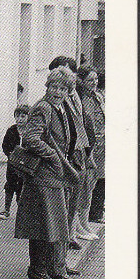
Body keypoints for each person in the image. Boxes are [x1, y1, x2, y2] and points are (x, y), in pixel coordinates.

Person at [15, 66, 81, 279]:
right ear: (48, 86)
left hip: (54, 177)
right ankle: (38, 270)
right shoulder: (44, 107)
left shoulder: (59, 107)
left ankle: (49, 268)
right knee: (42, 226)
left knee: (51, 225)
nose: (57, 91)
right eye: (54, 86)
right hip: (43, 177)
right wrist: (53, 155)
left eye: (63, 88)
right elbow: (30, 139)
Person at [48, 57, 95, 246]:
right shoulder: (55, 101)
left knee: (76, 197)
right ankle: (66, 241)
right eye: (63, 71)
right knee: (64, 203)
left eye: (71, 72)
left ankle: (71, 235)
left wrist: (86, 152)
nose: (69, 76)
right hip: (64, 156)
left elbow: (82, 124)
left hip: (79, 152)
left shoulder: (75, 95)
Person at [77, 66, 105, 226]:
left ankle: (96, 212)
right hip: (91, 147)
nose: (94, 82)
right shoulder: (82, 100)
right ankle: (85, 219)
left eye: (95, 79)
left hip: (103, 145)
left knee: (101, 180)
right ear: (82, 81)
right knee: (87, 184)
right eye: (90, 80)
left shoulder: (98, 97)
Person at [0, 104, 32, 219]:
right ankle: (6, 209)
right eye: (17, 116)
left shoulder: (31, 130)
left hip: (27, 164)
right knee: (10, 184)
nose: (20, 119)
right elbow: (5, 145)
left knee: (23, 186)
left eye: (23, 116)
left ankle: (21, 210)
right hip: (13, 163)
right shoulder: (12, 130)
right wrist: (11, 155)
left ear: (29, 117)